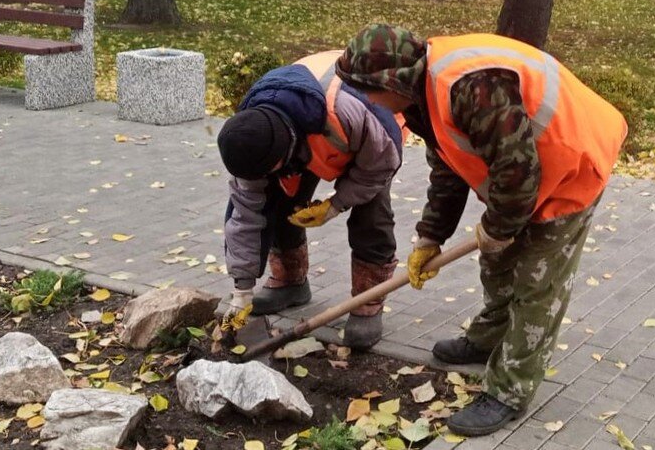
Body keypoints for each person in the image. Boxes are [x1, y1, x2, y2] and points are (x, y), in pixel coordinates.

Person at [335, 25, 627, 436]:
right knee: (497, 261)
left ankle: (510, 390)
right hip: (523, 170)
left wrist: (500, 226)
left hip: (572, 163)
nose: (366, 100)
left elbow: (517, 173)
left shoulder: (474, 88)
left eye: (367, 90)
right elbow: (449, 167)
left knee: (537, 283)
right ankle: (489, 338)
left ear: (392, 81)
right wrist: (430, 236)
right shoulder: (421, 94)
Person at [217, 50, 403, 349]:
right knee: (277, 203)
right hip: (304, 131)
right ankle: (291, 283)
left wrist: (335, 205)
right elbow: (246, 215)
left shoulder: (351, 112)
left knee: (372, 217)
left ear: (280, 156)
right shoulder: (251, 132)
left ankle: (368, 303)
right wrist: (242, 291)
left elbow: (380, 167)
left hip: (372, 140)